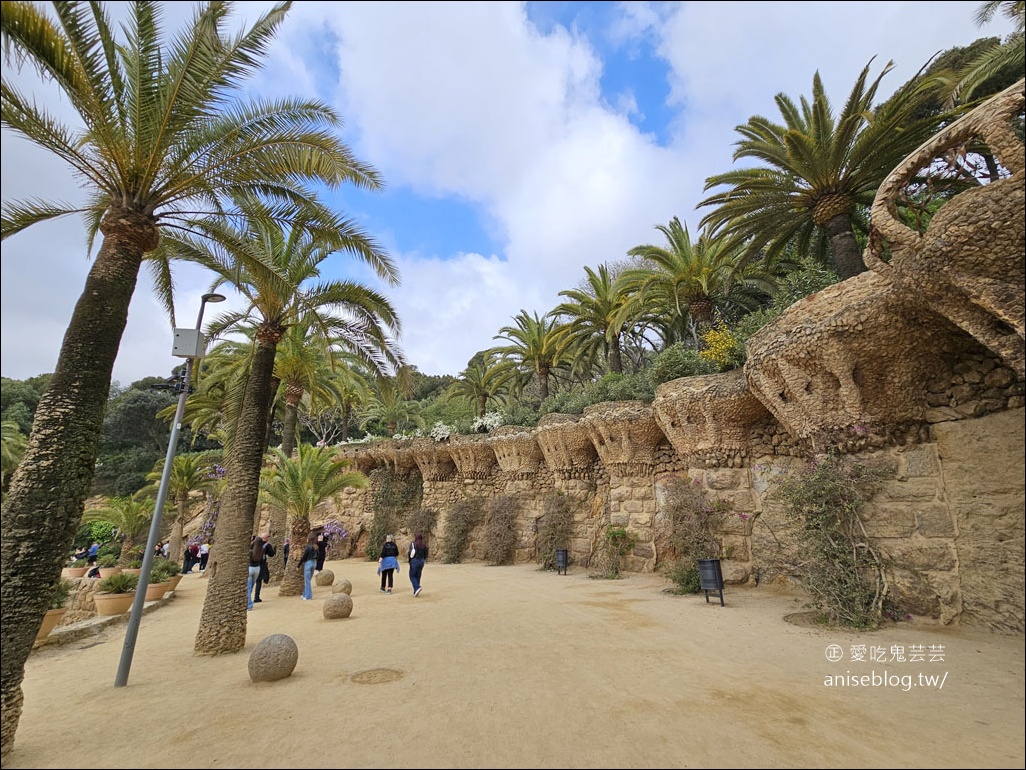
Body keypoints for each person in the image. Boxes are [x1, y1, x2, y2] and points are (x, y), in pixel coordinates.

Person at [252, 534, 275, 603]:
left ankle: (249, 598)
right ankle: (256, 597)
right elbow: (271, 554)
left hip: (252, 564)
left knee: (251, 582)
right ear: (266, 538)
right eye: (268, 537)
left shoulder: (254, 544)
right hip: (261, 565)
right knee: (258, 581)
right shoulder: (267, 545)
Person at [297, 533, 320, 600]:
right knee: (308, 580)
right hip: (314, 563)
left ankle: (308, 596)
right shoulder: (316, 546)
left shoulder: (308, 547)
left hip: (308, 563)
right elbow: (318, 555)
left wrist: (298, 565)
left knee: (307, 581)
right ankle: (304, 594)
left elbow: (304, 556)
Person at [247, 535, 264, 610]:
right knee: (251, 587)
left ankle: (249, 605)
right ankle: (248, 602)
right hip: (257, 569)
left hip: (250, 568)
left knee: (248, 588)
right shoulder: (262, 550)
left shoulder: (251, 551)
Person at [408, 533, 428, 597]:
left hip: (415, 560)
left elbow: (410, 553)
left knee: (412, 575)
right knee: (418, 575)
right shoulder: (424, 545)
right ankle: (416, 591)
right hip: (421, 560)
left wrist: (409, 560)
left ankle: (417, 587)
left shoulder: (413, 544)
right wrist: (423, 559)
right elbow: (426, 553)